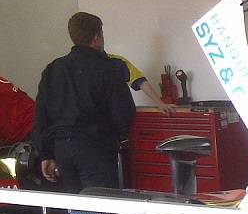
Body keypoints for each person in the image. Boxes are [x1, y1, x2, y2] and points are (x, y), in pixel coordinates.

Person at [34, 12, 136, 193]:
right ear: (96, 37)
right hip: (95, 147)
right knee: (101, 210)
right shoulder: (107, 69)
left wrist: (46, 154)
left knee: (74, 209)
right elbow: (123, 111)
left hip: (62, 150)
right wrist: (116, 137)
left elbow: (42, 114)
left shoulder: (53, 69)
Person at [108, 54, 175, 114]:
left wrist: (160, 103)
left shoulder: (117, 61)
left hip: (117, 118)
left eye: (98, 38)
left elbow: (140, 81)